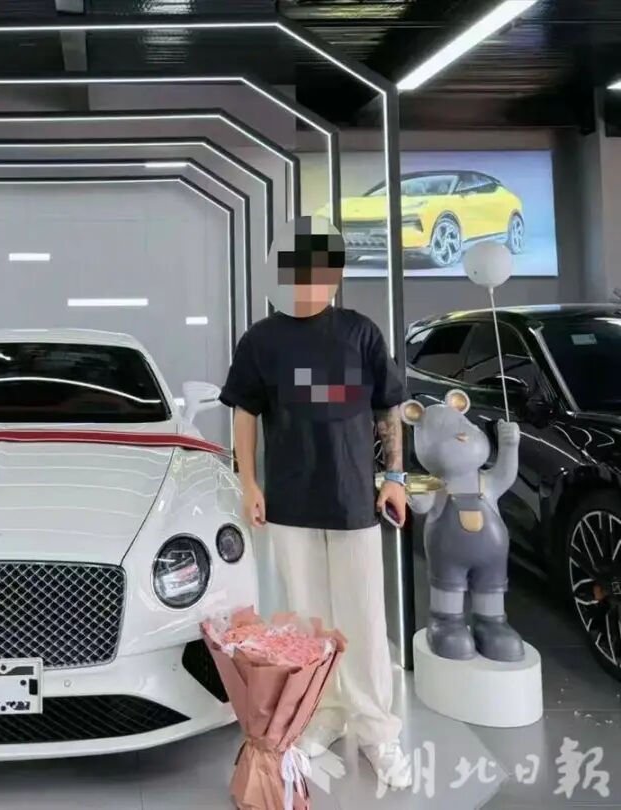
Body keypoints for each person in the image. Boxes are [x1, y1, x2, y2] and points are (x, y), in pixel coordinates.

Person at [220, 217, 413, 789]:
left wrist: (395, 476)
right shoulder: (261, 341)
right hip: (290, 502)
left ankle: (378, 731)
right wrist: (249, 483)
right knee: (307, 621)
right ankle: (322, 713)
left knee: (364, 618)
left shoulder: (360, 333)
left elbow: (388, 407)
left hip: (353, 499)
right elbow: (245, 412)